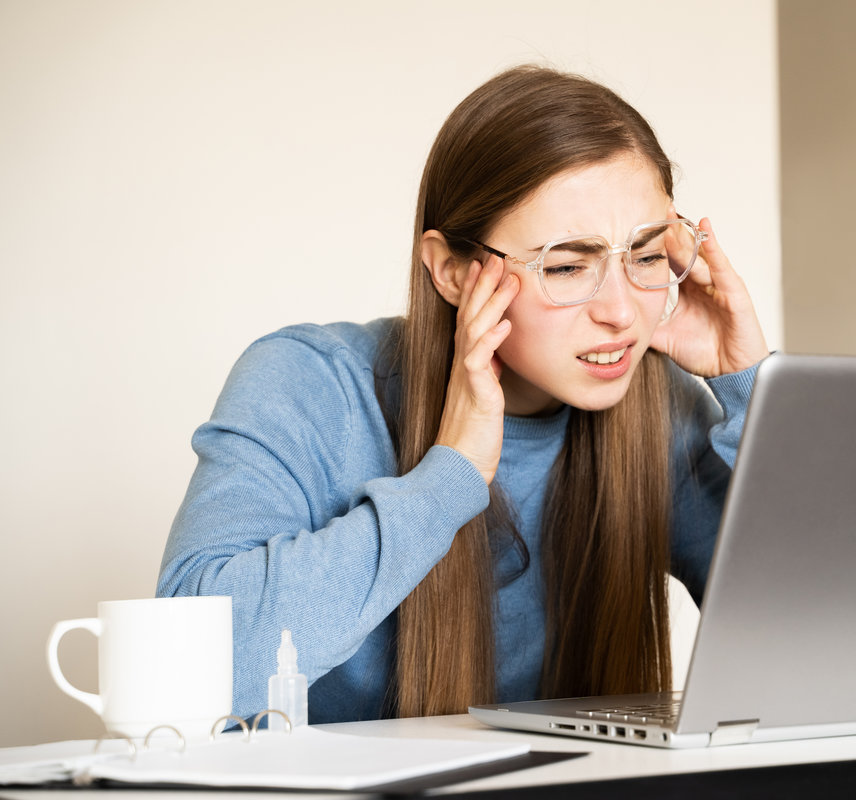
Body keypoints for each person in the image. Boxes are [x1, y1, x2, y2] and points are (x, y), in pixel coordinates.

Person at [157, 65, 769, 723]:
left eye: (646, 257)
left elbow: (818, 641)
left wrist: (753, 394)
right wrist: (450, 475)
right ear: (451, 270)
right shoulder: (310, 382)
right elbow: (185, 671)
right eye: (567, 266)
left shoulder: (659, 407)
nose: (622, 312)